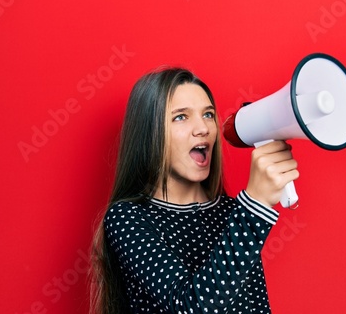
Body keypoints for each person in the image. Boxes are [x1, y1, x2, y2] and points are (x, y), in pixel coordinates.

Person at [89, 67, 299, 313]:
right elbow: (190, 307)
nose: (203, 129)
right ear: (149, 133)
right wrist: (255, 206)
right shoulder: (128, 218)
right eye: (181, 117)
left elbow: (256, 305)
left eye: (208, 114)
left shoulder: (233, 213)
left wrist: (249, 211)